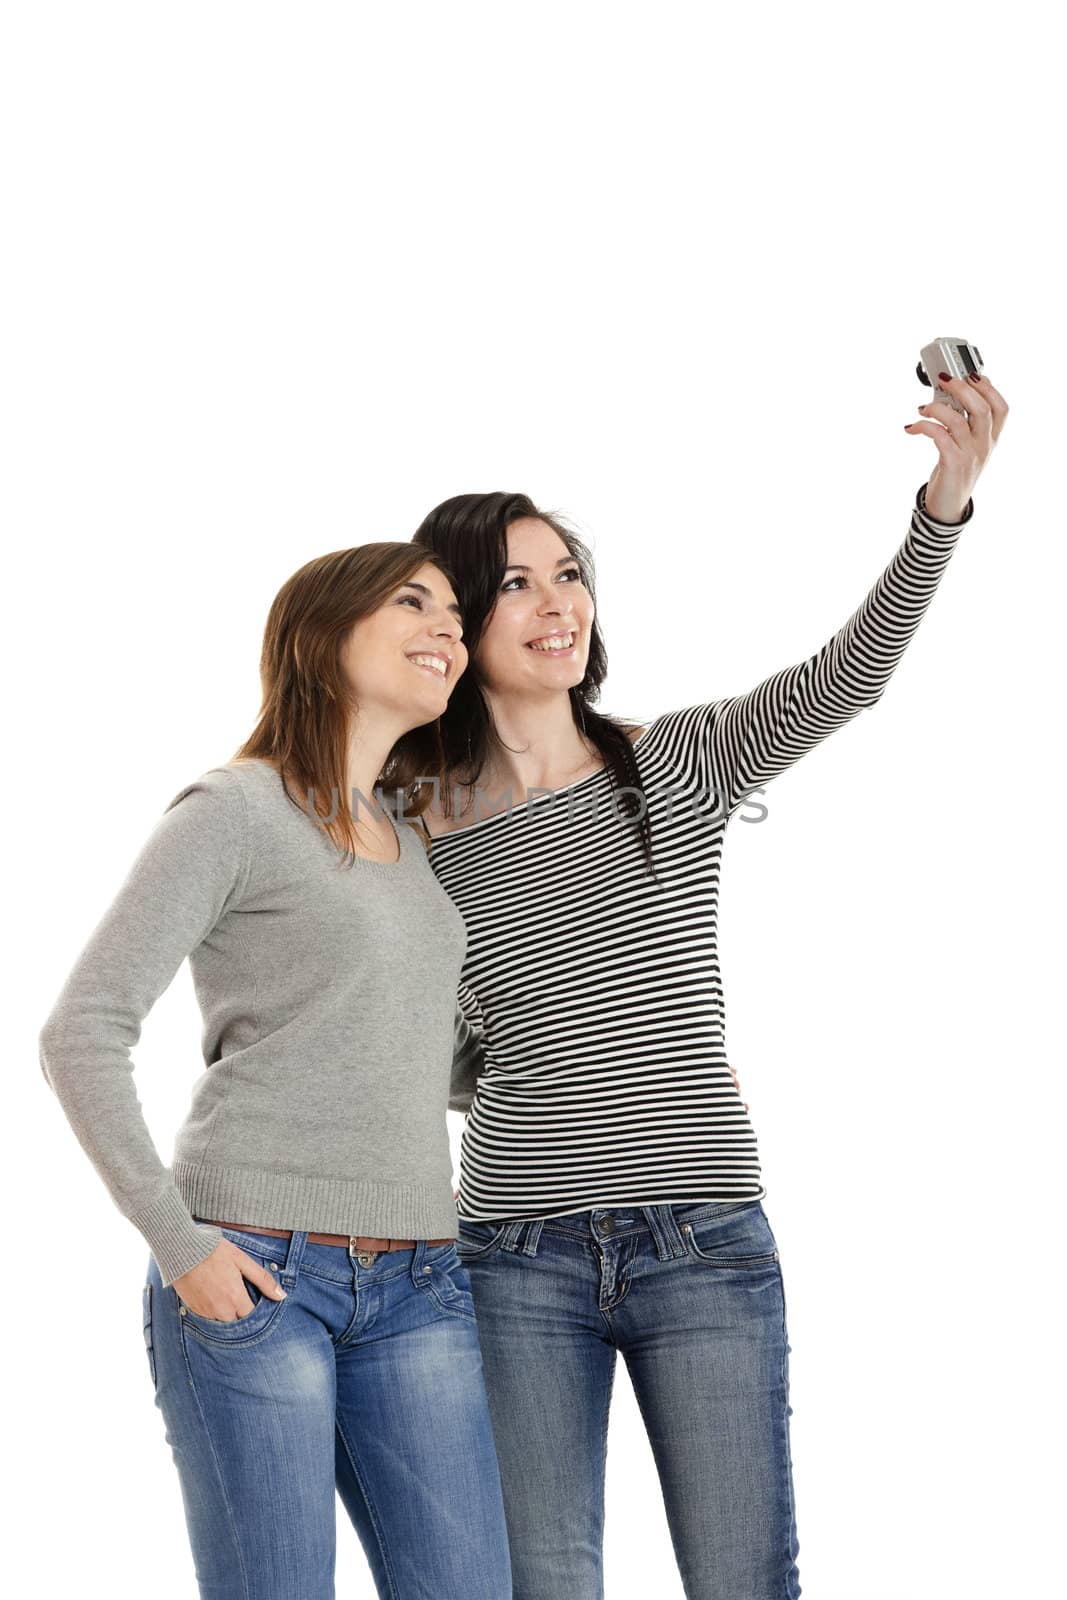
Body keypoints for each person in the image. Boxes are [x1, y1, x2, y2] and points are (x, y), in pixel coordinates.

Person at [409, 370, 1008, 1600]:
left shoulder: (676, 759)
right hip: (512, 1253)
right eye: (514, 581)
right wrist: (478, 1058)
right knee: (542, 1583)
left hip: (702, 1236)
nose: (554, 601)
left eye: (566, 572)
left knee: (743, 1579)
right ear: (457, 617)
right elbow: (406, 1022)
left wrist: (939, 506)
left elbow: (845, 677)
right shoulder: (411, 820)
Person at [38, 541, 514, 1600]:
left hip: (421, 1277)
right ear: (322, 633)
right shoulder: (233, 810)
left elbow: (430, 1063)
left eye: (452, 612)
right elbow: (82, 1030)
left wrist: (614, 1073)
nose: (448, 627)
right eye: (413, 602)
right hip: (257, 1271)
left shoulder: (411, 839)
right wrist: (181, 1245)